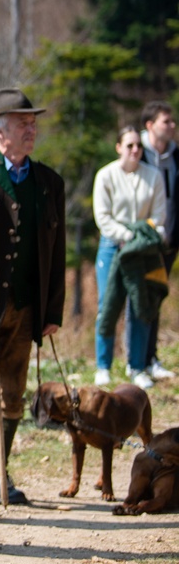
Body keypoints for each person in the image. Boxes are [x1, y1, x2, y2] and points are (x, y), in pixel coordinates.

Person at [0, 88, 66, 504]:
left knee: (12, 392)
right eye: (23, 124)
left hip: (24, 307)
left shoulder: (48, 182)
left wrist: (52, 308)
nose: (32, 130)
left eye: (33, 123)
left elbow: (55, 250)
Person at [93, 125, 167, 389]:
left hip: (144, 251)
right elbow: (103, 217)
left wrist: (138, 238)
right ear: (118, 148)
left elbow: (159, 217)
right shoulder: (105, 176)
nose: (135, 150)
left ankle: (136, 366)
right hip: (112, 247)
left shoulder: (154, 176)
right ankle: (103, 365)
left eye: (139, 146)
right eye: (130, 145)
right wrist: (126, 235)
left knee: (141, 305)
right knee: (108, 305)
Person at [138, 100, 179, 380]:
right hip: (141, 242)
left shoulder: (177, 157)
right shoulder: (136, 153)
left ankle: (150, 358)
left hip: (169, 241)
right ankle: (135, 360)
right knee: (137, 301)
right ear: (150, 125)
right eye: (167, 121)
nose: (173, 126)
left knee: (156, 298)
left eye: (172, 121)